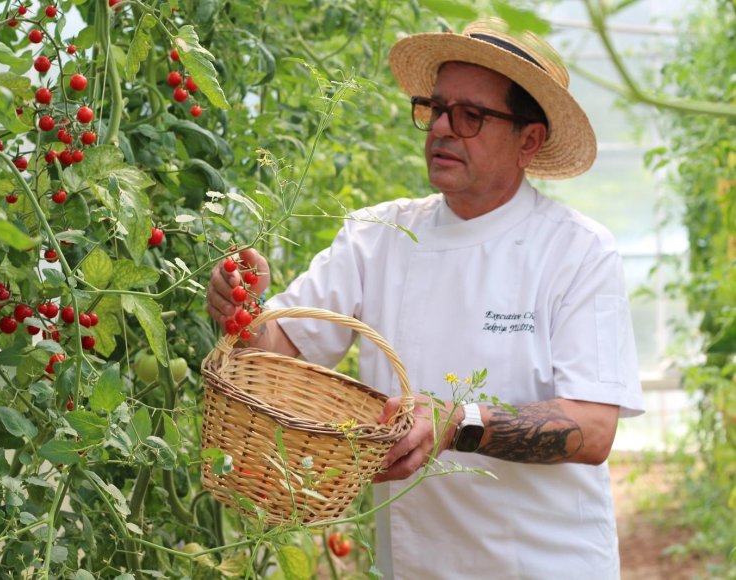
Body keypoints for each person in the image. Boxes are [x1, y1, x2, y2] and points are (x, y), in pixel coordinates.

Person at [207, 18, 645, 579]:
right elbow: (280, 351)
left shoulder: (577, 252)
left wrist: (458, 421)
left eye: (471, 116)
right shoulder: (378, 236)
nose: (441, 128)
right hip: (417, 566)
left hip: (546, 564)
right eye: (435, 108)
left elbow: (592, 428)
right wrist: (241, 309)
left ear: (528, 141)